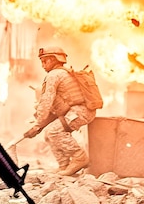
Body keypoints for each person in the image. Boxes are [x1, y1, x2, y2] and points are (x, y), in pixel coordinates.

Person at [23, 46, 96, 176]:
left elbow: (46, 101)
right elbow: (54, 108)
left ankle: (79, 157)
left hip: (79, 111)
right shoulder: (64, 73)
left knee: (54, 131)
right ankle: (64, 165)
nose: (42, 65)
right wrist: (39, 126)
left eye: (45, 61)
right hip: (77, 111)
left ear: (54, 60)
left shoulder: (54, 75)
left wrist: (37, 124)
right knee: (49, 134)